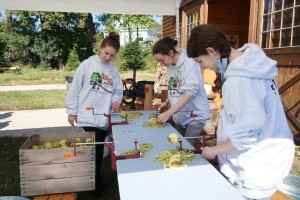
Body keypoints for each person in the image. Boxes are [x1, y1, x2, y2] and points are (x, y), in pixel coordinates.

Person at [186, 24, 295, 200]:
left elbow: (245, 138)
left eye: (200, 61)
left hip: (257, 165)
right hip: (271, 154)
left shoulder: (239, 81)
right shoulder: (251, 62)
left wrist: (213, 150)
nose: (204, 68)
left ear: (211, 51)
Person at [66, 32, 123, 199]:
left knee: (97, 151)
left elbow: (118, 90)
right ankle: (94, 187)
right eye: (106, 53)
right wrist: (71, 111)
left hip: (103, 117)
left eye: (112, 55)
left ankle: (96, 179)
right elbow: (75, 88)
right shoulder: (87, 65)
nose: (108, 57)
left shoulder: (113, 70)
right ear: (101, 48)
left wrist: (115, 99)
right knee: (95, 151)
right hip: (87, 115)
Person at [152, 37, 210, 148]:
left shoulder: (189, 63)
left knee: (187, 147)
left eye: (161, 60)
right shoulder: (170, 67)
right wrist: (166, 102)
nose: (161, 64)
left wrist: (169, 112)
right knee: (177, 146)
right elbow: (175, 89)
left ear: (170, 53)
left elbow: (190, 91)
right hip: (180, 115)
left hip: (195, 115)